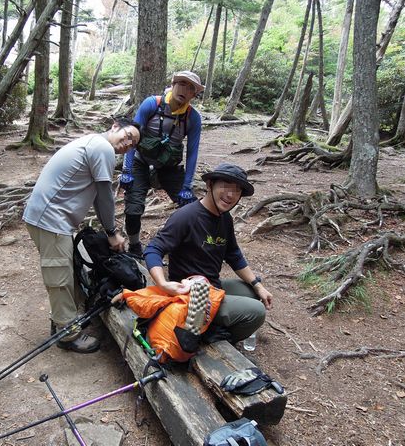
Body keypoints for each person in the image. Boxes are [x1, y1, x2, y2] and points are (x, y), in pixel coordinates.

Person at [23, 117, 140, 353]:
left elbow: (98, 196)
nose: (128, 143)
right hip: (50, 219)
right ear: (115, 126)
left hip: (50, 218)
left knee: (68, 269)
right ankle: (67, 334)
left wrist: (110, 231)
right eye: (128, 136)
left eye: (133, 144)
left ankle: (65, 318)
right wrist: (111, 233)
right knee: (60, 277)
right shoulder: (103, 148)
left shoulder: (94, 145)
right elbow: (105, 195)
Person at [143, 163, 273, 344]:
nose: (230, 195)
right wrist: (163, 284)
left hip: (212, 286)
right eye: (225, 186)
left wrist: (257, 284)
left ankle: (209, 327)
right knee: (256, 312)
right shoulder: (187, 216)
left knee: (251, 292)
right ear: (209, 185)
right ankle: (206, 338)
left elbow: (233, 254)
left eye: (237, 190)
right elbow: (153, 249)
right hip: (190, 296)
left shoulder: (224, 218)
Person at [119, 71, 204, 256]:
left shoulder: (193, 118)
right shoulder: (152, 104)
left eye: (191, 88)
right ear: (173, 85)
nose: (184, 90)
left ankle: (194, 246)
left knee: (192, 208)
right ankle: (134, 246)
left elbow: (192, 153)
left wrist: (187, 186)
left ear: (194, 95)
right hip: (140, 162)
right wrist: (127, 169)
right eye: (181, 84)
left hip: (169, 168)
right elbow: (131, 136)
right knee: (133, 209)